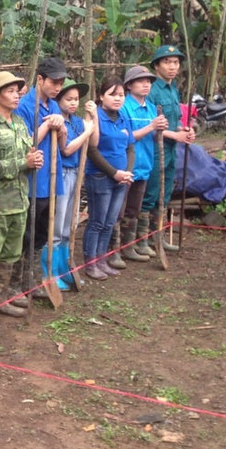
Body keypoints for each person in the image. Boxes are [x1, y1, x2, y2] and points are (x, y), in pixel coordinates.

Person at [0, 72, 43, 324]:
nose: (17, 95)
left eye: (18, 90)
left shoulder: (19, 122)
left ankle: (0, 297)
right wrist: (21, 162)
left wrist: (33, 160)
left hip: (19, 200)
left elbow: (27, 154)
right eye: (11, 91)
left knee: (11, 253)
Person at [12, 57, 68, 304]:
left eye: (61, 82)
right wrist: (48, 126)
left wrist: (62, 127)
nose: (57, 87)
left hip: (52, 180)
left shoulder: (54, 105)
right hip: (33, 182)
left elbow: (63, 144)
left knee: (42, 235)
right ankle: (16, 284)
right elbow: (26, 143)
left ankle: (32, 280)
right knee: (25, 235)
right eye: (54, 82)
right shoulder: (25, 105)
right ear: (41, 79)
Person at [140, 46, 195, 253]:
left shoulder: (173, 90)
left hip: (171, 149)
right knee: (151, 192)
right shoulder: (151, 90)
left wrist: (184, 131)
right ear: (156, 65)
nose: (172, 67)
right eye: (167, 62)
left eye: (176, 62)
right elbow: (151, 125)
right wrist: (176, 135)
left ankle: (158, 236)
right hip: (154, 149)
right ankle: (141, 239)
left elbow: (174, 121)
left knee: (165, 193)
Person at [83, 77, 135, 280]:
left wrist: (127, 172)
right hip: (99, 177)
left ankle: (102, 259)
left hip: (122, 180)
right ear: (101, 96)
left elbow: (130, 147)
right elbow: (92, 151)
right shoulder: (95, 116)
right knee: (97, 221)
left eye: (121, 95)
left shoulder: (123, 118)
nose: (118, 99)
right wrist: (114, 172)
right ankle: (90, 262)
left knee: (110, 221)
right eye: (112, 94)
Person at [119, 65, 169, 263]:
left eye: (148, 81)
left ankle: (131, 245)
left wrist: (160, 129)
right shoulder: (124, 107)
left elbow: (154, 135)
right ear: (129, 85)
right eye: (141, 81)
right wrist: (151, 126)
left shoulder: (150, 107)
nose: (146, 84)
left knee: (134, 209)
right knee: (120, 210)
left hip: (145, 163)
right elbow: (126, 138)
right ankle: (117, 247)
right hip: (127, 165)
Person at [50, 79, 96, 286]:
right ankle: (49, 271)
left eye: (76, 99)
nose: (73, 103)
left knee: (70, 225)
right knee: (58, 226)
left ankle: (65, 267)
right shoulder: (57, 121)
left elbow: (93, 142)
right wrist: (87, 131)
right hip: (62, 174)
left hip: (77, 173)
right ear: (58, 99)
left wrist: (93, 118)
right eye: (68, 99)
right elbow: (67, 149)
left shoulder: (77, 121)